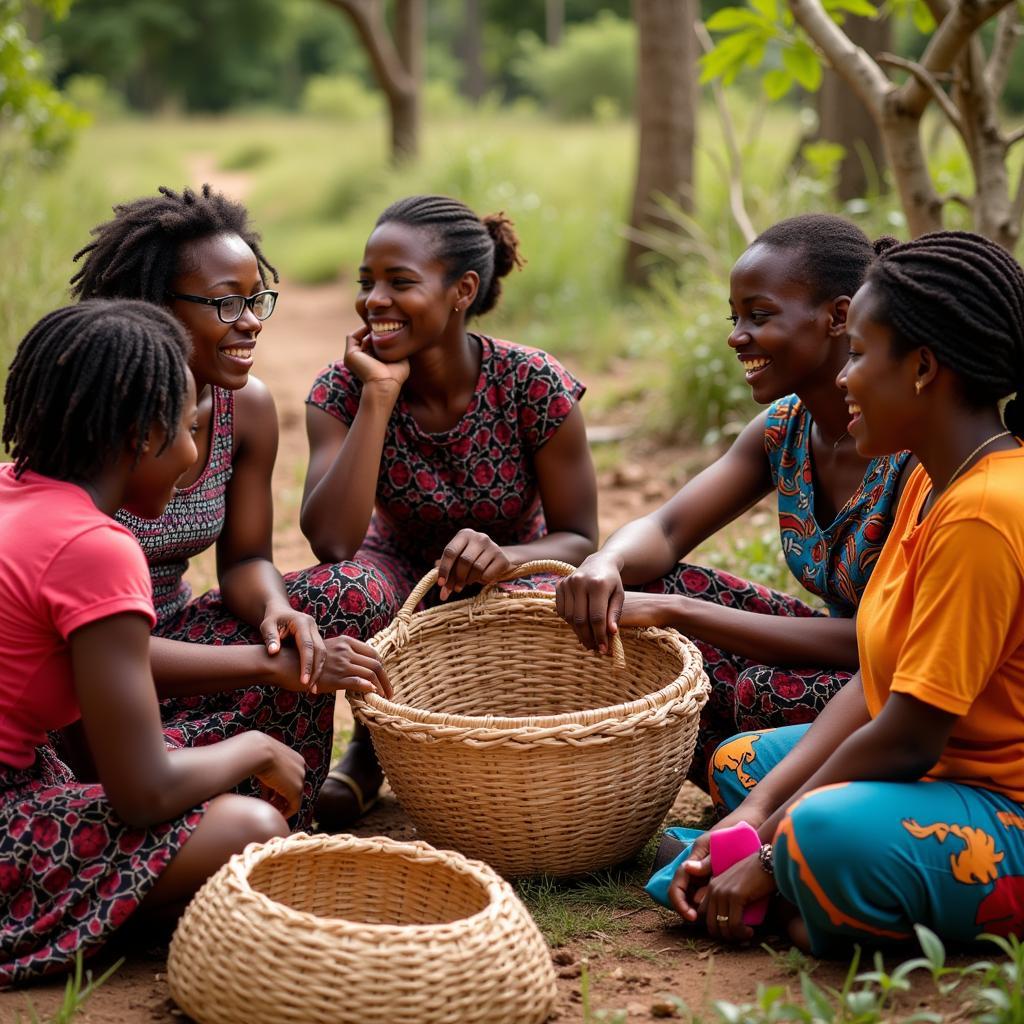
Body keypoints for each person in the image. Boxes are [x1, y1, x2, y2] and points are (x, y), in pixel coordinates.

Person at [670, 231, 1024, 955]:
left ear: (924, 368)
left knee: (816, 832)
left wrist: (766, 852)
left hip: (1000, 801)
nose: (842, 379)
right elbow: (875, 680)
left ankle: (812, 905)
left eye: (860, 355)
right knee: (740, 769)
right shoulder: (930, 476)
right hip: (935, 770)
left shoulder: (987, 511)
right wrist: (757, 817)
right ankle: (814, 901)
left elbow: (909, 733)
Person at [69, 186, 393, 831]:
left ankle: (263, 804)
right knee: (287, 669)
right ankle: (170, 789)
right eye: (225, 303)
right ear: (153, 307)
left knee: (347, 594)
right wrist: (266, 664)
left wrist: (278, 614)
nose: (250, 320)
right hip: (89, 686)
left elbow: (244, 558)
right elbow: (86, 650)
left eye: (255, 299)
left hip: (176, 642)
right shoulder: (96, 421)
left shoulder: (244, 409)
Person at [0, 300, 305, 985]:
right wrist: (256, 747)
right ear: (143, 435)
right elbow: (141, 793)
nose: (195, 454)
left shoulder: (10, 493)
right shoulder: (96, 548)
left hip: (25, 773)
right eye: (188, 429)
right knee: (252, 829)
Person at [555, 214, 912, 784]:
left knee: (760, 688)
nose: (736, 335)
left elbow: (885, 637)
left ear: (837, 317)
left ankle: (754, 795)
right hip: (839, 654)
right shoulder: (784, 429)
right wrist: (606, 562)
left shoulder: (909, 444)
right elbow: (668, 530)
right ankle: (732, 787)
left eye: (760, 315)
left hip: (903, 674)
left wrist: (682, 611)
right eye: (735, 316)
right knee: (641, 589)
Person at [302, 194, 599, 828]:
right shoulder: (342, 389)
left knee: (551, 600)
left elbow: (579, 538)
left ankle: (512, 745)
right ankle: (370, 744)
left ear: (463, 289)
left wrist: (507, 559)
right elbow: (331, 540)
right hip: (398, 561)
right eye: (367, 283)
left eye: (399, 282)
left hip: (518, 561)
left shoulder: (532, 384)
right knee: (339, 590)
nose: (374, 299)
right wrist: (379, 396)